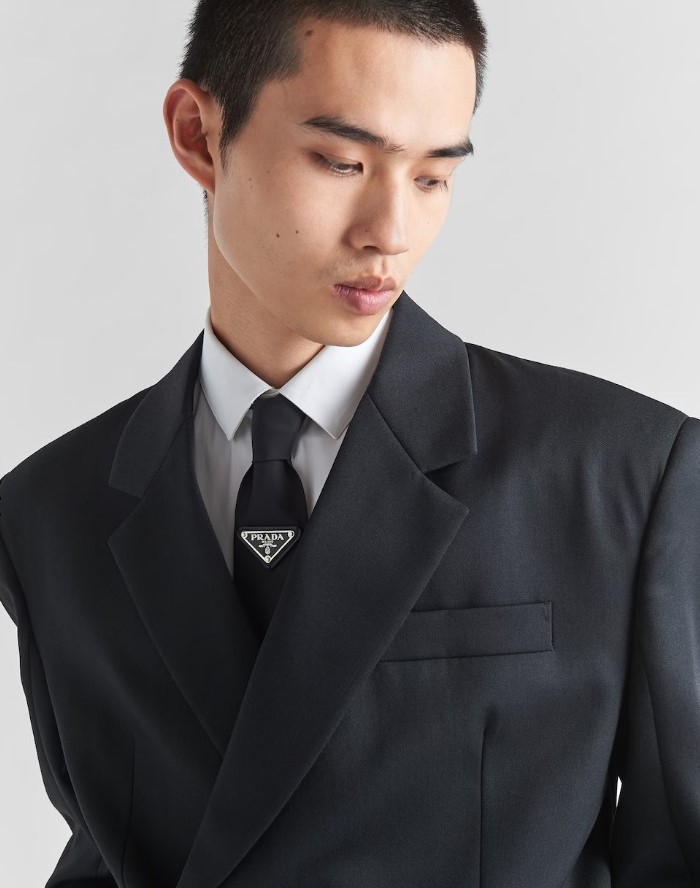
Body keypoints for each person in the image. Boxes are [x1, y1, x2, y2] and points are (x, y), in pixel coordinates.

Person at [1, 1, 699, 885]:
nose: (390, 232)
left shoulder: (623, 476)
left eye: (433, 177)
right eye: (342, 161)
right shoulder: (51, 511)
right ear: (197, 135)